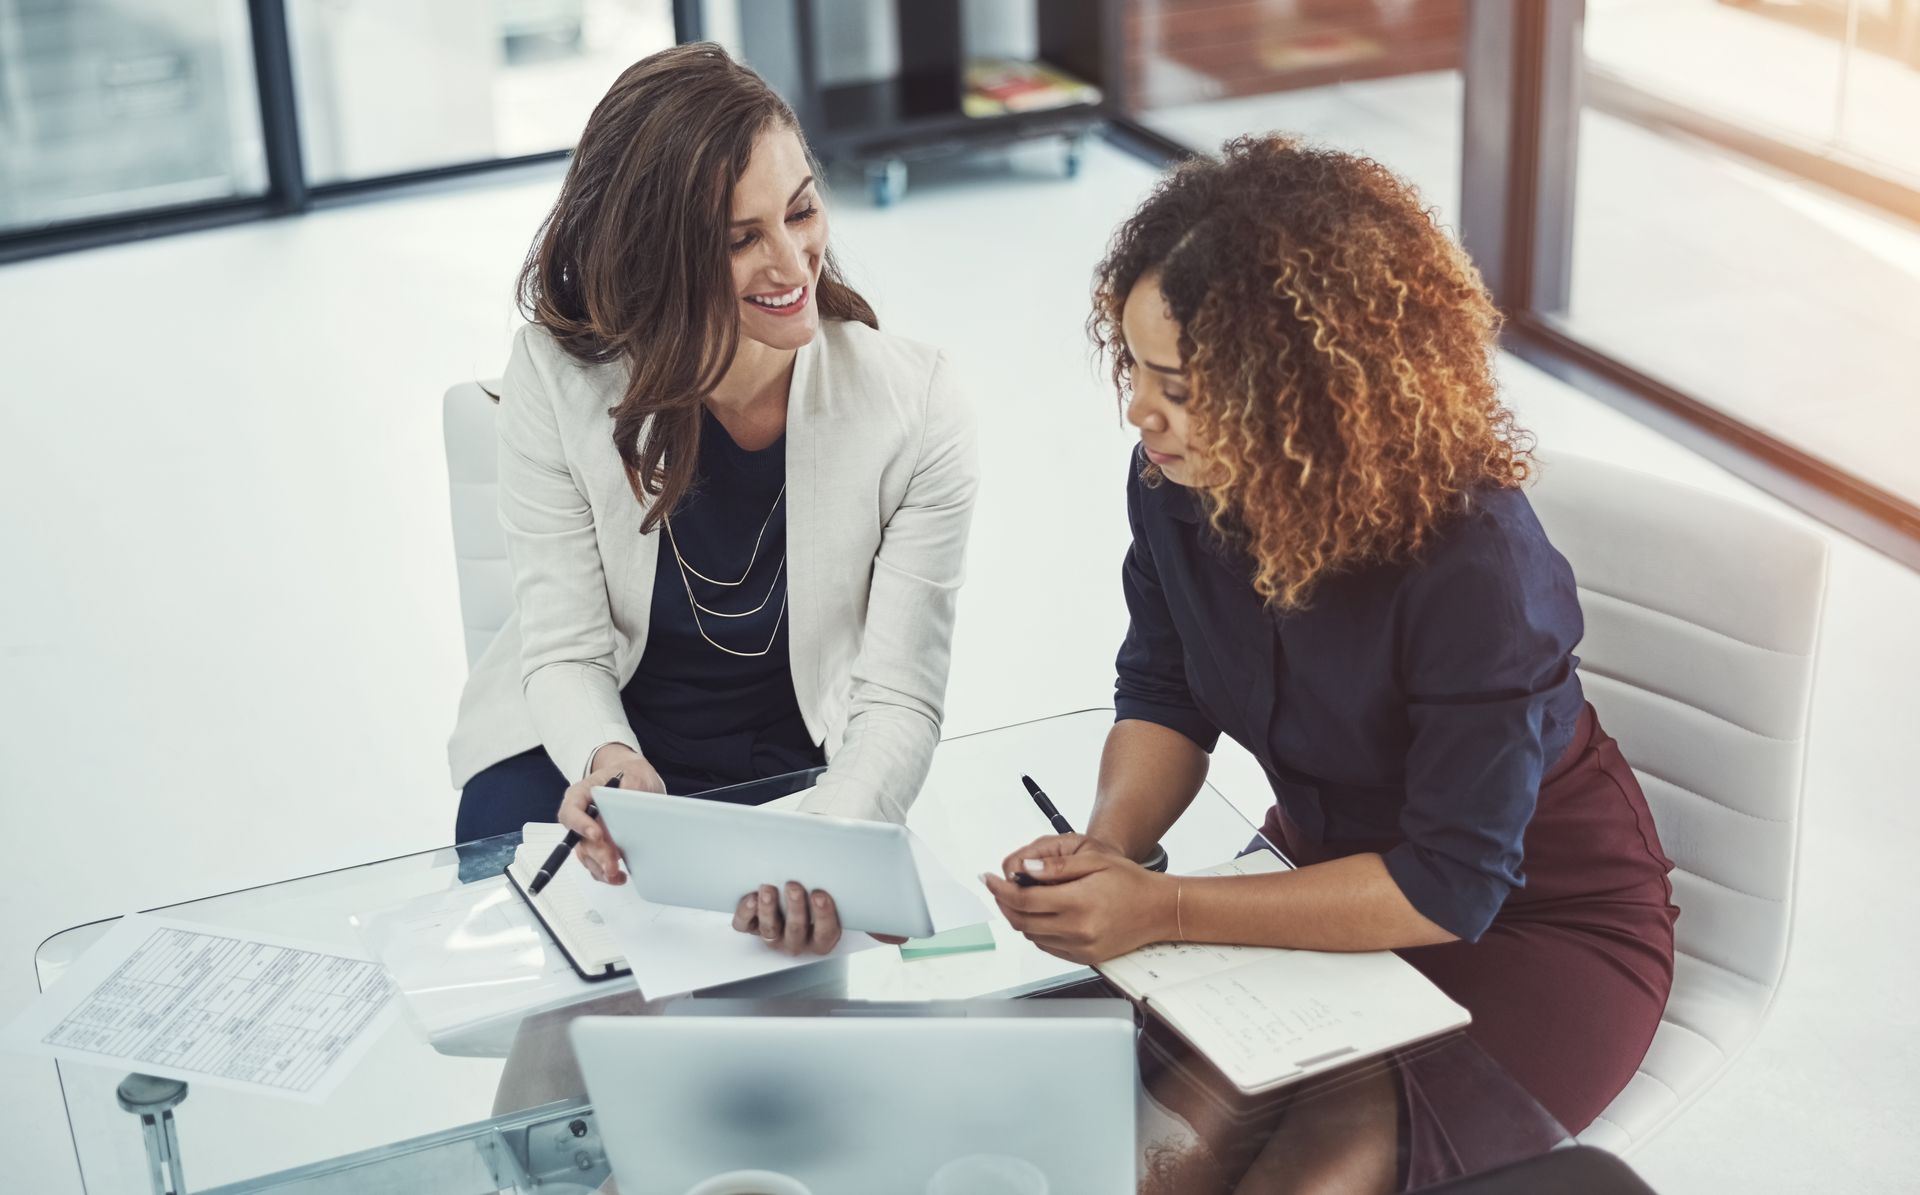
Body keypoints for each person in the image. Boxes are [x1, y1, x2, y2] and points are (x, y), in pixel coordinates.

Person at [983, 137, 1677, 1191]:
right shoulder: (1175, 483)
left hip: (1529, 918)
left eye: (1176, 383)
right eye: (1133, 368)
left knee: (1312, 1172)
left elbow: (1452, 883)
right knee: (1146, 1152)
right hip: (1325, 876)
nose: (1139, 411)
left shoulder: (1474, 562)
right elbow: (1165, 690)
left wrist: (1163, 908)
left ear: (1296, 390)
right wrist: (1108, 850)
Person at [448, 44, 976, 956]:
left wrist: (832, 841)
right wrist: (609, 764)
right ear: (659, 259)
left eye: (801, 208)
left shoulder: (915, 407)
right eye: (740, 238)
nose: (791, 260)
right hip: (593, 745)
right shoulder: (557, 377)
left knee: (770, 1025)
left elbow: (899, 702)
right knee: (566, 996)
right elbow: (565, 647)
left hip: (784, 771)